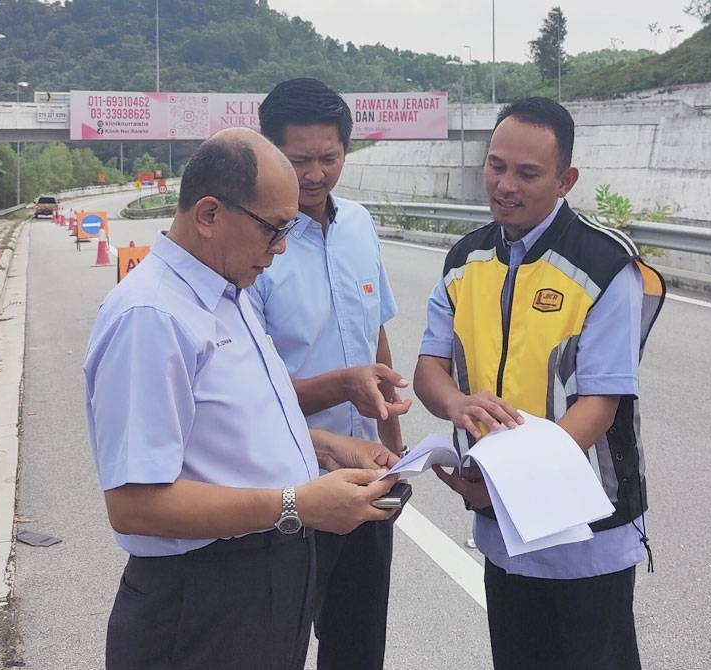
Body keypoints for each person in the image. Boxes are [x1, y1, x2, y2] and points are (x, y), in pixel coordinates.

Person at [83, 127, 401, 670]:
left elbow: (239, 428)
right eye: (273, 230)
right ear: (209, 215)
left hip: (258, 588)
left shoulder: (229, 293)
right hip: (202, 601)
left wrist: (325, 446)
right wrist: (296, 504)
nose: (280, 250)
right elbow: (134, 503)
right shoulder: (153, 318)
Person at [413, 97, 666, 670]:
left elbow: (599, 404)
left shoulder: (605, 266)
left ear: (565, 179)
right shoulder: (464, 259)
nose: (506, 184)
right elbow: (430, 370)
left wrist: (508, 485)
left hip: (587, 527)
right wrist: (454, 402)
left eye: (528, 173)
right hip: (503, 528)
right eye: (496, 166)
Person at [249, 77, 411, 670]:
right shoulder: (252, 244)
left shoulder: (360, 226)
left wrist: (395, 449)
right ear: (268, 153)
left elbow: (377, 337)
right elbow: (241, 389)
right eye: (298, 161)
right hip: (286, 487)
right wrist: (342, 384)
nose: (315, 174)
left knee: (359, 647)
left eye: (329, 158)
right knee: (274, 649)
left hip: (369, 481)